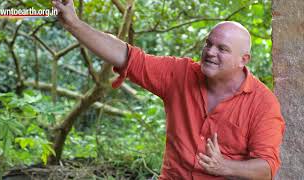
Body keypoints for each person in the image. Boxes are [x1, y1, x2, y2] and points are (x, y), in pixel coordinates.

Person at [52, 0, 285, 179]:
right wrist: (73, 22)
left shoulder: (263, 104)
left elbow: (267, 167)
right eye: (208, 43)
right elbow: (125, 56)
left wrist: (224, 166)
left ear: (243, 60)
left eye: (222, 48)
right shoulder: (179, 74)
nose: (210, 52)